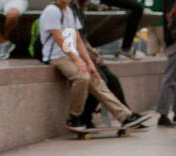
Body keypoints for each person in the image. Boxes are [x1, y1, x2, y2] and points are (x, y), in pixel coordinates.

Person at [39, 0, 148, 131]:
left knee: (97, 79)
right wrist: (78, 61)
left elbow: (78, 40)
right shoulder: (51, 11)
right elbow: (59, 39)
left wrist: (90, 64)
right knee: (82, 78)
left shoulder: (70, 12)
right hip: (56, 57)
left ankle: (124, 116)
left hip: (71, 55)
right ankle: (74, 117)